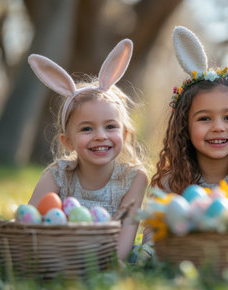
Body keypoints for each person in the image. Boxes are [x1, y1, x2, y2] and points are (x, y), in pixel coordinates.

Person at [27, 39, 148, 261]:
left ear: (125, 134)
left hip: (110, 255)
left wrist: (112, 264)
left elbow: (128, 233)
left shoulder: (134, 178)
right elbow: (28, 220)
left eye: (110, 126)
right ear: (68, 141)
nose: (100, 135)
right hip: (61, 256)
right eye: (86, 128)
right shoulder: (58, 175)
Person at [150, 26, 228, 196]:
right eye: (204, 118)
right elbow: (154, 222)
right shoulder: (169, 185)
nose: (218, 127)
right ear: (184, 125)